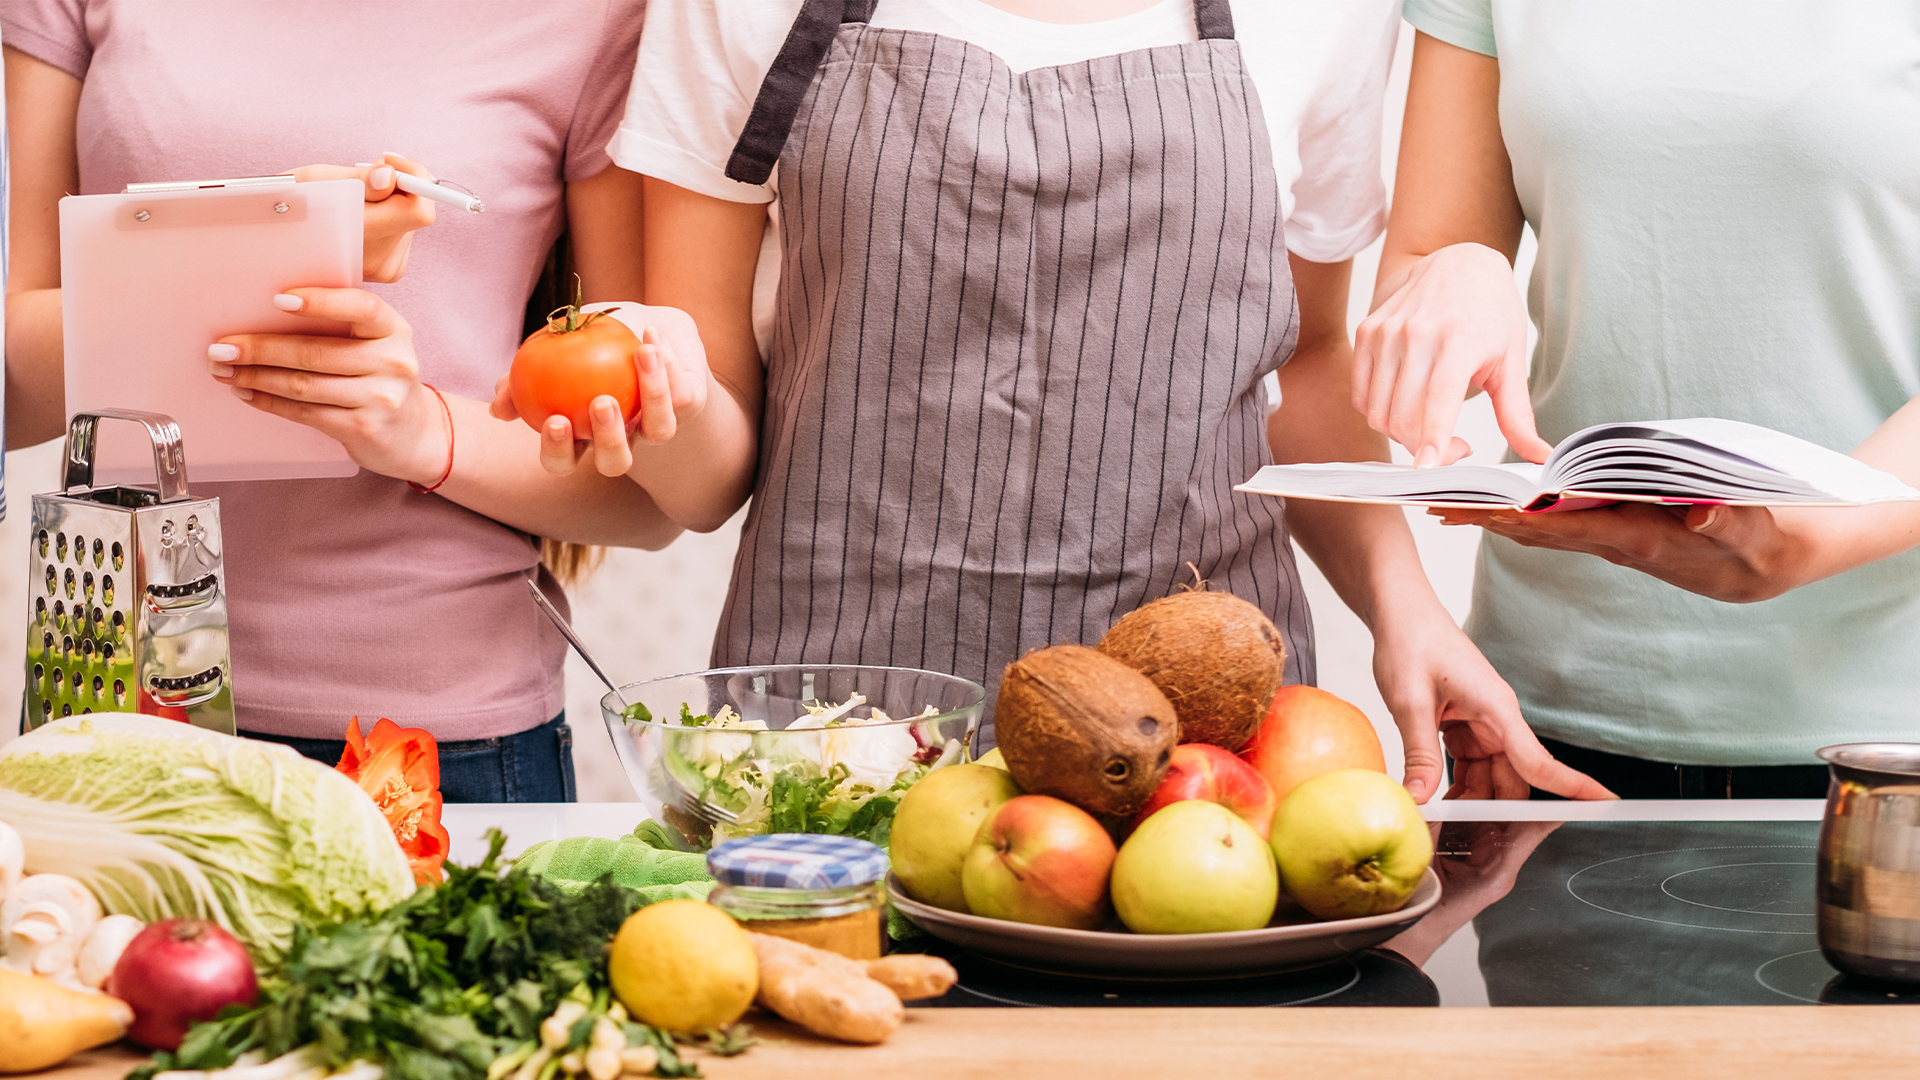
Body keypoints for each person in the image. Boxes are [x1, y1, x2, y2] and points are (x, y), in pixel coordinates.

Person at [527, 0, 1615, 802]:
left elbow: (1308, 364)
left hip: (1200, 755)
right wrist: (653, 398)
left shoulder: (1316, 13)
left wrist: (1404, 604)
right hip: (839, 737)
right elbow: (711, 471)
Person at [2, 0, 698, 801]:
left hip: (437, 744)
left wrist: (419, 430)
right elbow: (16, 389)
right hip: (119, 706)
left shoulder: (602, 18)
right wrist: (278, 248)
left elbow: (643, 499)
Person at [1352, 1, 1920, 796]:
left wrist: (1797, 543)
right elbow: (1428, 247)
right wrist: (1460, 271)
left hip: (1889, 739)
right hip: (1546, 716)